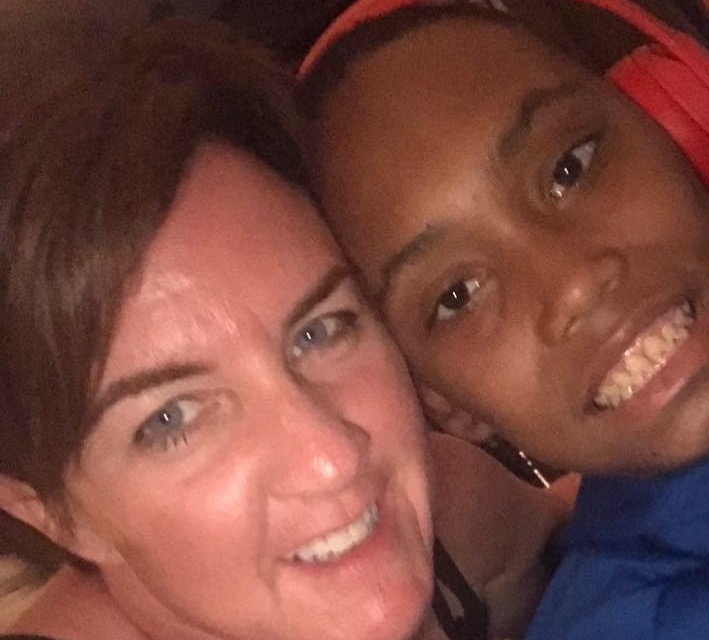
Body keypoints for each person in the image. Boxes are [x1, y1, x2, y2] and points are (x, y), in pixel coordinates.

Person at [296, 1, 709, 638]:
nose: (574, 284)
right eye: (457, 295)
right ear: (448, 404)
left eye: (569, 168)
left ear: (676, 123)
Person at [0, 19, 435, 640]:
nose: (331, 458)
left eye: (319, 332)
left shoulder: (453, 514)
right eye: (171, 418)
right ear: (60, 518)